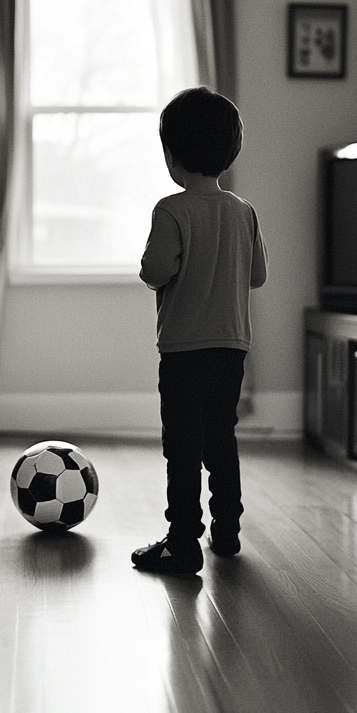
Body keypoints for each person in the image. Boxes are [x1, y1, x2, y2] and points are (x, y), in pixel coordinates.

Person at [132, 86, 268, 574]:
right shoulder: (243, 211)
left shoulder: (170, 209)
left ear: (172, 155)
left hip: (183, 350)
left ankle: (183, 540)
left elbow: (154, 272)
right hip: (232, 347)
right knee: (221, 437)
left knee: (183, 446)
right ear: (229, 152)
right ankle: (227, 531)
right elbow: (257, 276)